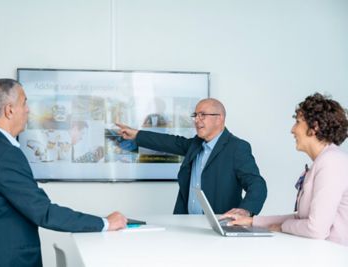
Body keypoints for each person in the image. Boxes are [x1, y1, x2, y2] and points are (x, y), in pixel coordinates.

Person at [0, 79, 127, 267]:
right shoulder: (6, 154)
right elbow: (43, 212)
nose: (28, 110)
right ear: (9, 110)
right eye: (24, 102)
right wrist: (104, 223)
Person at [222, 93, 348, 246]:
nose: (292, 129)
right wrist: (252, 221)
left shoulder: (331, 162)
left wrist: (281, 227)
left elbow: (316, 229)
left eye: (298, 122)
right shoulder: (322, 161)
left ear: (314, 127)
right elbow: (300, 218)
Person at [117, 98, 267, 216]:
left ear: (219, 118)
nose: (196, 119)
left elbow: (257, 183)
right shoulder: (195, 145)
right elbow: (167, 142)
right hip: (186, 223)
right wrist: (137, 135)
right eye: (195, 115)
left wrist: (246, 210)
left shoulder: (237, 147)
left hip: (218, 226)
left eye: (203, 115)